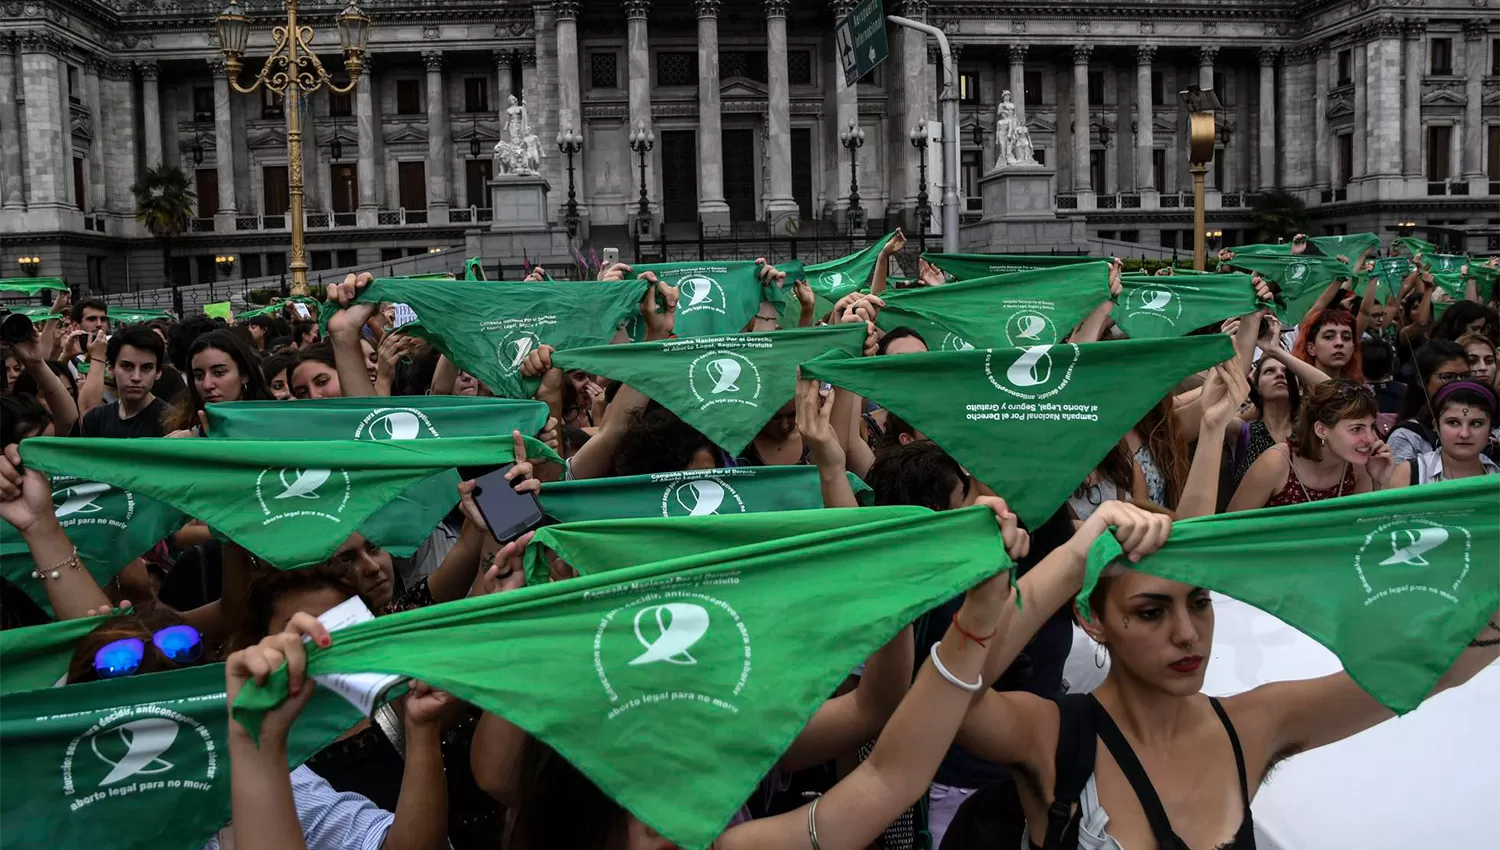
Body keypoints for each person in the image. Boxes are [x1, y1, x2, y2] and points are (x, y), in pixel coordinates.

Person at [952, 522, 1500, 850]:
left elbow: (1434, 669)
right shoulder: (1048, 735)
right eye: (1150, 613)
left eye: (1199, 602)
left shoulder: (1255, 724)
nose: (1188, 635)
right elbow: (951, 695)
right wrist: (1073, 563)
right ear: (1090, 618)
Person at [1228, 380, 1392, 511]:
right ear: (1321, 430)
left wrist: (1379, 483)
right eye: (1357, 429)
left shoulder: (1359, 465)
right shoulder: (1275, 463)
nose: (1371, 438)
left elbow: (1365, 534)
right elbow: (1229, 532)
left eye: (1372, 427)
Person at [1385, 381, 1499, 486]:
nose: (1464, 434)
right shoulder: (1411, 473)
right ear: (1436, 425)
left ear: (1490, 429)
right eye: (1453, 422)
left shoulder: (1496, 474)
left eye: (1476, 423)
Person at [164, 330, 274, 435]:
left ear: (244, 375)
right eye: (199, 376)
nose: (207, 385)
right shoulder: (181, 428)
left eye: (219, 373)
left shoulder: (275, 422)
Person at [1385, 339, 1470, 463]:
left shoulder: (1481, 426)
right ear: (1421, 380)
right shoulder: (1405, 437)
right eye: (1447, 377)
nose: (1458, 384)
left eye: (1465, 376)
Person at [79, 325, 168, 438]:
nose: (136, 377)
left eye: (146, 368)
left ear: (158, 372)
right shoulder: (95, 419)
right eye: (127, 366)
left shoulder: (170, 422)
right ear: (111, 369)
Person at [1291, 307, 1364, 384]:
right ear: (1311, 348)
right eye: (1328, 337)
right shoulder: (1295, 390)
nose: (1339, 343)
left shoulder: (1359, 390)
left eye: (1346, 338)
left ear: (1353, 347)